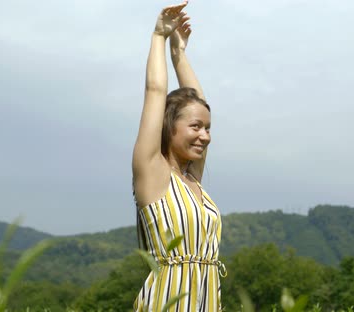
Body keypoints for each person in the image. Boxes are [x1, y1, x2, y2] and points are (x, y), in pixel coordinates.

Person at [132, 1, 225, 311]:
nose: (205, 136)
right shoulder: (154, 173)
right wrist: (159, 36)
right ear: (169, 127)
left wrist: (179, 55)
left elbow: (201, 103)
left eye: (208, 129)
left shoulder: (191, 179)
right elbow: (155, 91)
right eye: (196, 127)